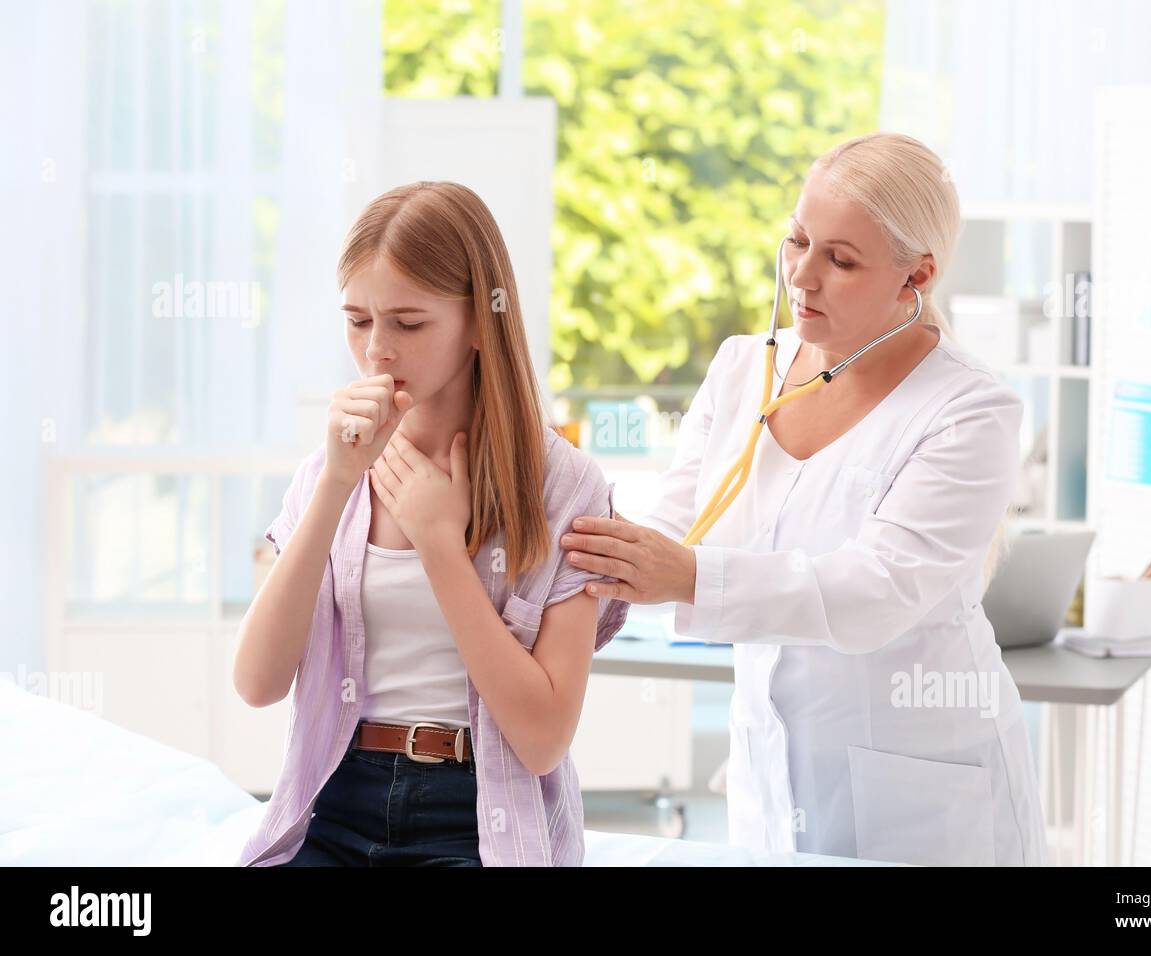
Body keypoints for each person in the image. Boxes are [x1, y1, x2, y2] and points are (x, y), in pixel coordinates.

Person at [560, 133, 1048, 866]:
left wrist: (688, 576)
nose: (803, 277)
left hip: (922, 794)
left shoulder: (970, 410)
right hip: (772, 772)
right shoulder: (740, 369)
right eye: (797, 242)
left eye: (841, 260)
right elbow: (673, 525)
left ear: (917, 274)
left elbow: (875, 590)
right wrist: (563, 540)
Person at [233, 181, 628, 866]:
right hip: (336, 797)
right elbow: (257, 683)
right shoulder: (327, 475)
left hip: (477, 814)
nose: (376, 351)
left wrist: (441, 545)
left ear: (481, 321)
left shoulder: (566, 488)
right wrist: (334, 485)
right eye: (357, 321)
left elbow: (541, 739)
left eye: (408, 323)